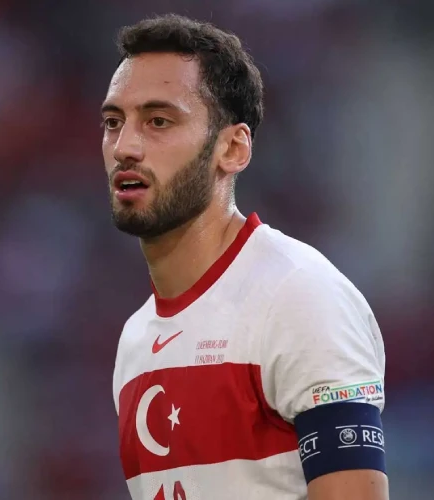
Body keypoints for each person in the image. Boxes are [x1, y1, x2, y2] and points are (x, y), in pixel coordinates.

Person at [102, 14, 388, 500]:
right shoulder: (135, 341)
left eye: (158, 121)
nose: (125, 147)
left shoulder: (299, 296)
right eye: (113, 123)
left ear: (233, 148)